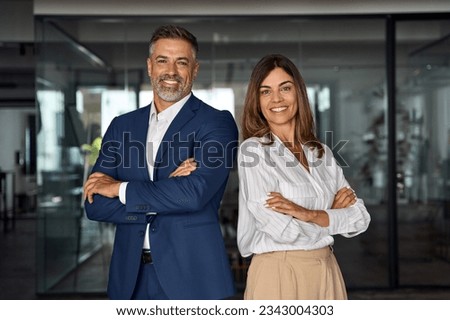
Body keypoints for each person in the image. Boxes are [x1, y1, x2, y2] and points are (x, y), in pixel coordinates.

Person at [83, 25, 238, 300]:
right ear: (149, 66)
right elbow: (94, 203)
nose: (171, 71)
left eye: (182, 62)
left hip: (192, 278)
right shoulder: (122, 126)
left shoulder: (216, 123)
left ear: (195, 69)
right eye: (162, 60)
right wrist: (167, 192)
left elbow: (193, 194)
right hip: (130, 279)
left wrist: (119, 189)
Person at [237, 54, 371, 300]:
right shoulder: (253, 151)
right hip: (279, 271)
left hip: (327, 268)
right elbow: (282, 231)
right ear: (256, 101)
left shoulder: (321, 152)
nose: (276, 99)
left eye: (285, 88)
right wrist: (330, 216)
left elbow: (360, 218)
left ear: (298, 92)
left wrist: (308, 214)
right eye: (266, 91)